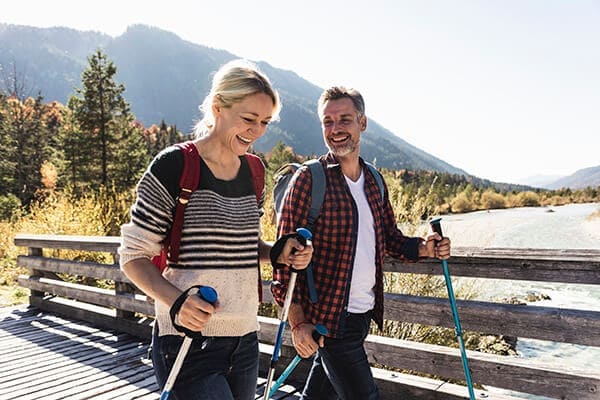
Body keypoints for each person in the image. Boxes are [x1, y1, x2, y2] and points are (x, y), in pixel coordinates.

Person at [118, 59, 313, 400]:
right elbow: (133, 257)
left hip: (245, 340)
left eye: (265, 122)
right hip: (187, 340)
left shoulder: (254, 172)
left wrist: (278, 252)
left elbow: (244, 247)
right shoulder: (174, 165)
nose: (256, 131)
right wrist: (177, 303)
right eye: (249, 119)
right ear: (217, 107)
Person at [271, 86, 451, 400]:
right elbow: (283, 263)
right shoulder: (309, 180)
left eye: (345, 120)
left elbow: (390, 239)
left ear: (362, 123)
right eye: (328, 122)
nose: (336, 129)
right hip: (328, 321)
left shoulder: (374, 182)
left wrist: (426, 247)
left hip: (362, 315)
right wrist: (297, 323)